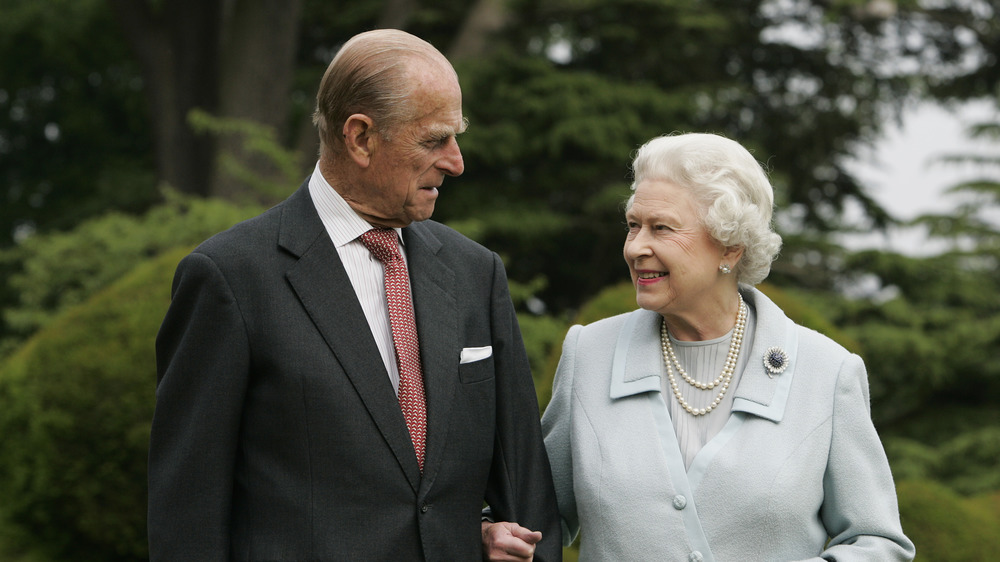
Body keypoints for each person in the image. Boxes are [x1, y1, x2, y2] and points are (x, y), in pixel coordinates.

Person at [149, 29, 560, 561]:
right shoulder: (229, 278)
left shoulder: (475, 273)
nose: (456, 162)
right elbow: (187, 519)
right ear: (361, 137)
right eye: (435, 140)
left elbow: (525, 496)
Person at [486, 132, 915, 561]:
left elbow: (878, 543)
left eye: (661, 228)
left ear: (730, 245)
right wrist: (491, 534)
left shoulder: (827, 372)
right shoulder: (590, 353)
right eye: (633, 225)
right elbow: (536, 517)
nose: (636, 247)